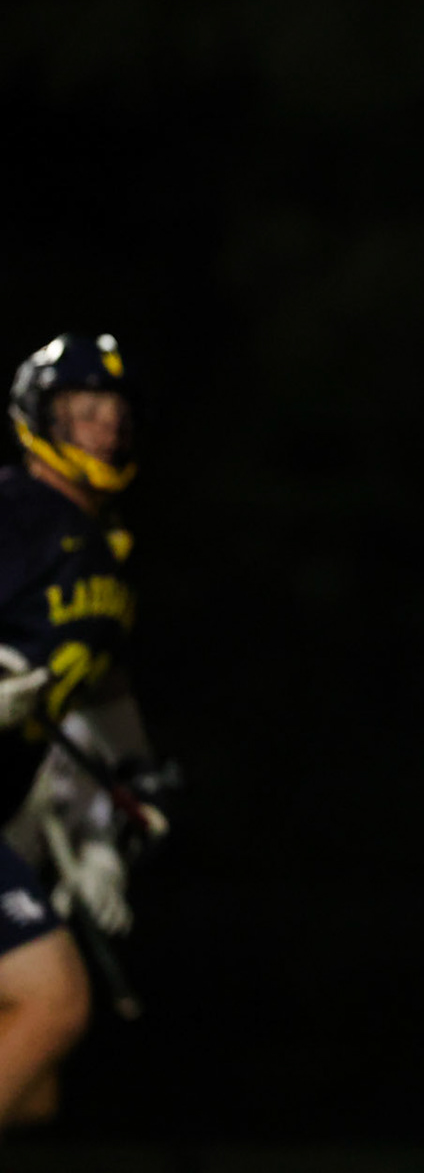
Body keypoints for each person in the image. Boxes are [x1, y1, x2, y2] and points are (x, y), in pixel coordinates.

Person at [0, 332, 158, 1132]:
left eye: (111, 414)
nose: (100, 429)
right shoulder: (16, 512)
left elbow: (103, 701)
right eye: (81, 411)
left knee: (32, 1085)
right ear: (40, 418)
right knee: (54, 1001)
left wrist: (99, 831)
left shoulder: (108, 548)